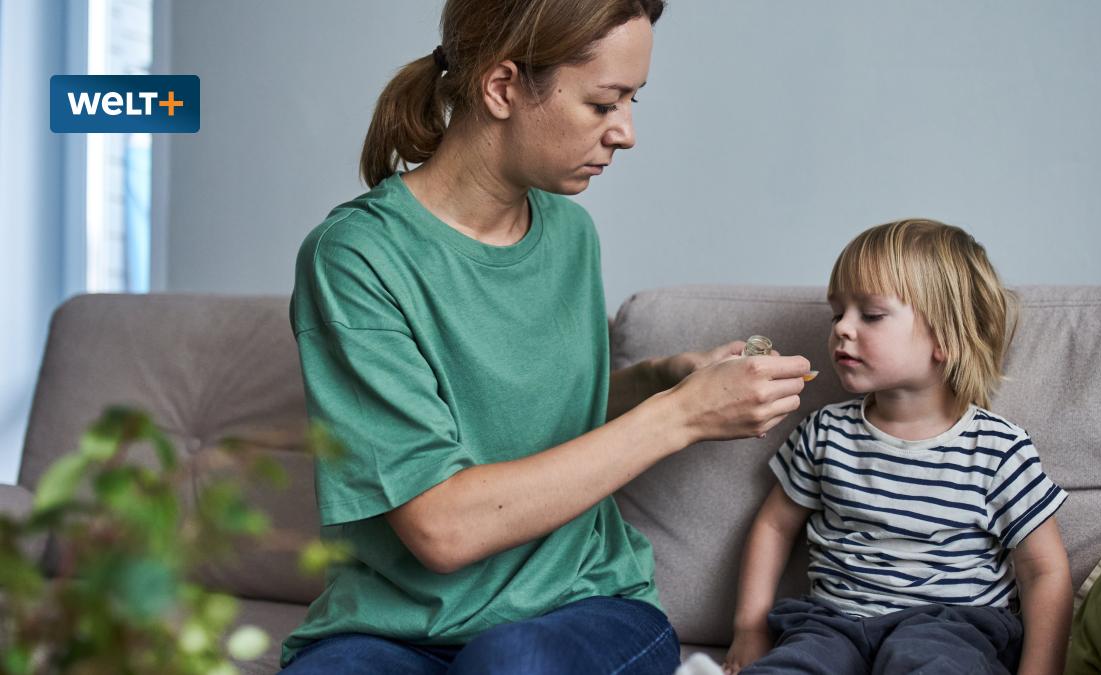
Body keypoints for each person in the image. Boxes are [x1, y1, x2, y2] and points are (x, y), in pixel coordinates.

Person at [279, 1, 814, 673]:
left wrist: (660, 380)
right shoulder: (356, 257)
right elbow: (442, 527)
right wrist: (680, 415)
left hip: (583, 605)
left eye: (632, 101)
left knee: (512, 662)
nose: (626, 133)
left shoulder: (569, 233)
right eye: (603, 104)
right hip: (391, 626)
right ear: (502, 88)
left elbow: (528, 414)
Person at [721, 220, 1073, 675]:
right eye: (837, 313)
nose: (842, 329)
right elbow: (773, 527)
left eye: (870, 314)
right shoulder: (825, 432)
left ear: (946, 338)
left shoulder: (998, 449)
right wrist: (749, 629)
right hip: (831, 625)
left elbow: (1044, 572)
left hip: (949, 629)